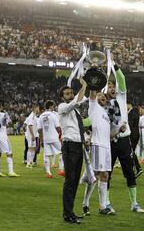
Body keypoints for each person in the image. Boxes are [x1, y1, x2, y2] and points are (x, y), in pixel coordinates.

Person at [106, 61, 144, 214]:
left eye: (113, 86)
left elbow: (121, 78)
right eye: (109, 87)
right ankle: (107, 203)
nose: (113, 88)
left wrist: (113, 64)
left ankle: (134, 203)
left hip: (124, 140)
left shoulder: (121, 97)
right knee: (107, 173)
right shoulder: (102, 103)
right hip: (109, 141)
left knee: (129, 172)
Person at [58, 78, 87, 224]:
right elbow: (77, 100)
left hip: (77, 145)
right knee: (70, 180)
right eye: (67, 93)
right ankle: (67, 214)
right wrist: (84, 86)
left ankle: (71, 211)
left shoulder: (74, 110)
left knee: (75, 181)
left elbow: (81, 99)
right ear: (62, 97)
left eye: (71, 93)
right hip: (69, 146)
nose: (70, 95)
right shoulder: (62, 107)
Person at [87, 90, 113, 215]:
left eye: (104, 96)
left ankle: (103, 207)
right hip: (97, 144)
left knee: (105, 176)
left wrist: (119, 131)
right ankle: (85, 203)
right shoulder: (93, 107)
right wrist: (93, 82)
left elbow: (108, 134)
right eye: (100, 95)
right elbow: (92, 94)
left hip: (106, 147)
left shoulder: (105, 114)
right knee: (96, 175)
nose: (102, 96)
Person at [0, 103, 20, 177]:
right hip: (2, 136)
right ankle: (11, 172)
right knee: (9, 153)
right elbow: (9, 123)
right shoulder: (4, 114)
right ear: (0, 107)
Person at [38, 100, 64, 178]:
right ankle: (61, 170)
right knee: (62, 152)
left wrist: (41, 140)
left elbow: (39, 130)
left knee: (46, 156)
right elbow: (58, 127)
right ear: (50, 106)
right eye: (53, 106)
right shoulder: (53, 115)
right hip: (54, 137)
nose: (54, 107)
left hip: (46, 139)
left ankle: (48, 173)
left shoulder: (41, 116)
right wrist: (61, 134)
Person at [127, 102, 143, 178]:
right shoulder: (135, 112)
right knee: (131, 152)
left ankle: (137, 168)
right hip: (136, 134)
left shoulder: (132, 112)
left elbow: (130, 124)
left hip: (132, 135)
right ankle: (134, 168)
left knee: (130, 152)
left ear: (129, 104)